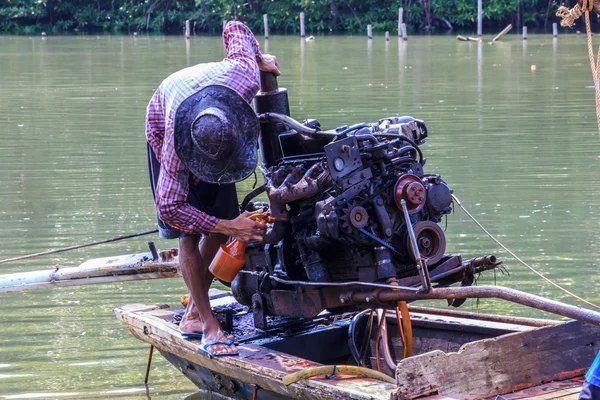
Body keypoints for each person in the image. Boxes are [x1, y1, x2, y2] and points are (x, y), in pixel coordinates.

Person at [145, 21, 280, 356]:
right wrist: (230, 225)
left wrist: (260, 59)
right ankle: (204, 323)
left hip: (217, 112)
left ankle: (194, 307)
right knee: (188, 234)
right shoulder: (175, 150)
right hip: (165, 120)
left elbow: (235, 28)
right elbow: (171, 209)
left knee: (219, 224)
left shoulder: (244, 77)